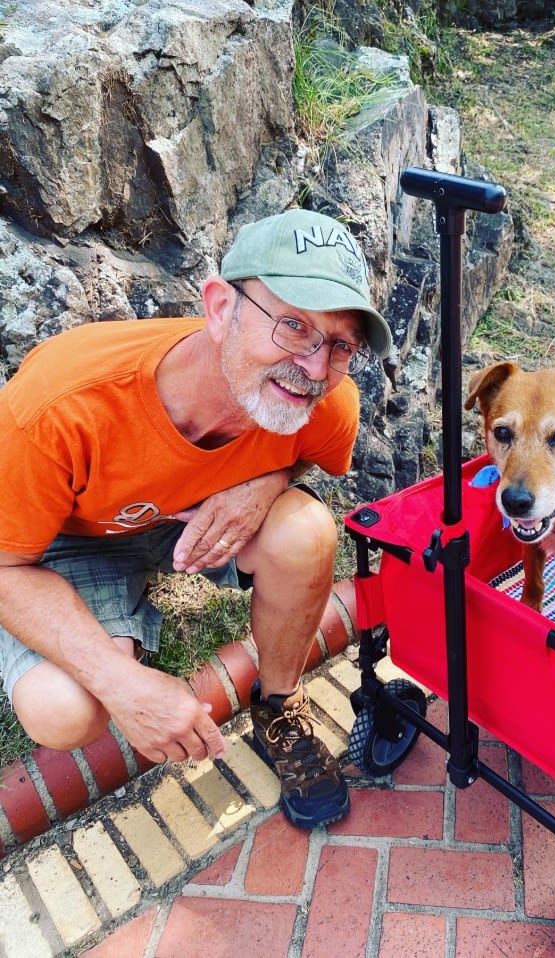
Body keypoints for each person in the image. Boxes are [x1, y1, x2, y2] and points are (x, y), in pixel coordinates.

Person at [0, 208, 391, 829]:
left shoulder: (328, 401)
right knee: (62, 710)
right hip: (72, 539)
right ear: (219, 308)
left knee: (308, 532)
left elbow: (309, 466)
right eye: (292, 325)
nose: (315, 368)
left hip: (201, 512)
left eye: (339, 344)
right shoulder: (57, 406)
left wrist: (266, 485)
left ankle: (281, 705)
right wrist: (120, 681)